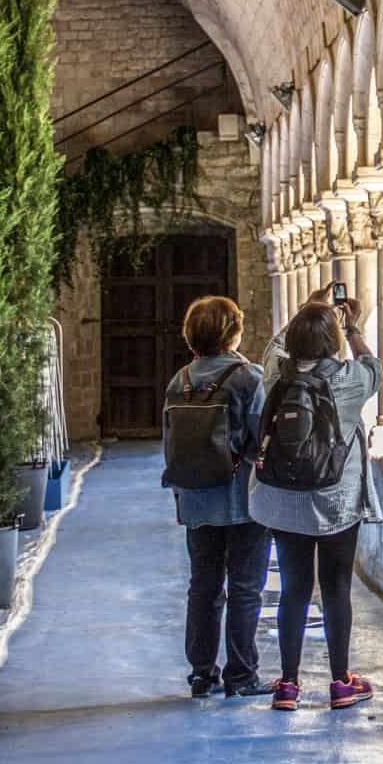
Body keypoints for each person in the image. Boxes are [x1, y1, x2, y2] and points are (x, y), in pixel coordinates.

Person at [250, 290, 382, 712]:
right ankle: (341, 682)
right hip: (335, 501)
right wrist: (353, 326)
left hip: (284, 498)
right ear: (333, 340)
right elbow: (374, 368)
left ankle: (287, 684)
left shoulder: (276, 376)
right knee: (336, 588)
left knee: (294, 588)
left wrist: (302, 312)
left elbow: (273, 348)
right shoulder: (348, 381)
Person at [163, 296, 271, 699]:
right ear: (234, 333)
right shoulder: (249, 378)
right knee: (245, 587)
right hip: (244, 500)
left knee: (203, 587)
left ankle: (201, 674)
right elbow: (262, 437)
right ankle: (241, 675)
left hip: (196, 499)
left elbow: (169, 443)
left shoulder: (181, 380)